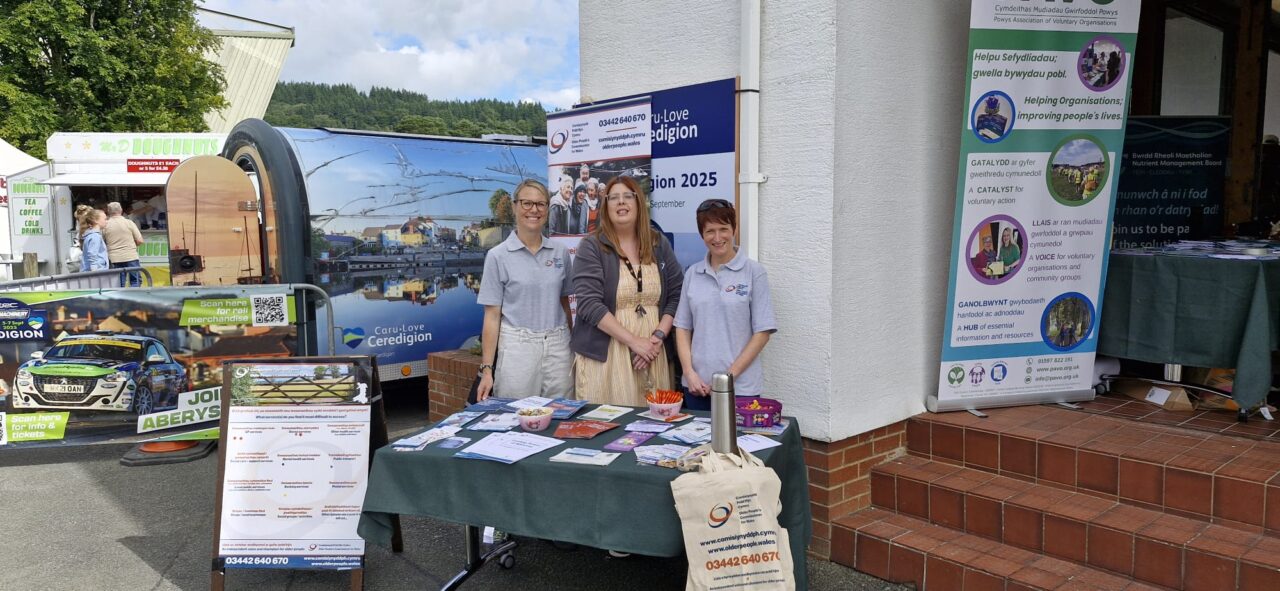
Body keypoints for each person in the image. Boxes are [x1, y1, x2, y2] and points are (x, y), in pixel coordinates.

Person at [571, 176, 683, 406]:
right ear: (606, 206)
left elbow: (677, 292)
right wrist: (634, 342)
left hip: (654, 353)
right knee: (606, 429)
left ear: (638, 202)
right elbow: (588, 304)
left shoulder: (657, 243)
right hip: (607, 358)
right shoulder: (591, 246)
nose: (621, 203)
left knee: (653, 432)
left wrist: (657, 337)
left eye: (627, 196)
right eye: (614, 198)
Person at [475, 179, 574, 400]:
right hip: (518, 348)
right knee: (515, 414)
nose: (534, 210)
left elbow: (565, 304)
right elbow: (492, 316)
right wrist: (487, 369)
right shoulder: (498, 256)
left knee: (561, 413)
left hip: (558, 346)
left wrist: (572, 344)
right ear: (514, 206)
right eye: (527, 203)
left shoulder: (560, 253)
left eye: (541, 204)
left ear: (548, 209)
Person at [674, 199, 776, 411]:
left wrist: (727, 377)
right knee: (697, 445)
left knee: (738, 445)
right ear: (702, 234)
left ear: (734, 229)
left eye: (724, 229)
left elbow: (762, 333)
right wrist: (689, 373)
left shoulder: (753, 272)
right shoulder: (693, 273)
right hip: (697, 387)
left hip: (740, 389)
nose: (718, 237)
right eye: (710, 231)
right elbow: (682, 327)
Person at [102, 201, 144, 286]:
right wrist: (130, 246)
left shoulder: (105, 225)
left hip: (114, 258)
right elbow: (140, 241)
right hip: (130, 256)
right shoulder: (129, 223)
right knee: (135, 280)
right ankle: (133, 298)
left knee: (119, 283)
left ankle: (120, 298)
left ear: (108, 211)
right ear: (121, 210)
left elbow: (102, 242)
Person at [76, 206, 109, 272]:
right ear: (96, 221)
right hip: (96, 273)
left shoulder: (91, 235)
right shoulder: (95, 236)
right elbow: (92, 256)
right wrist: (94, 272)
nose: (107, 221)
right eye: (105, 219)